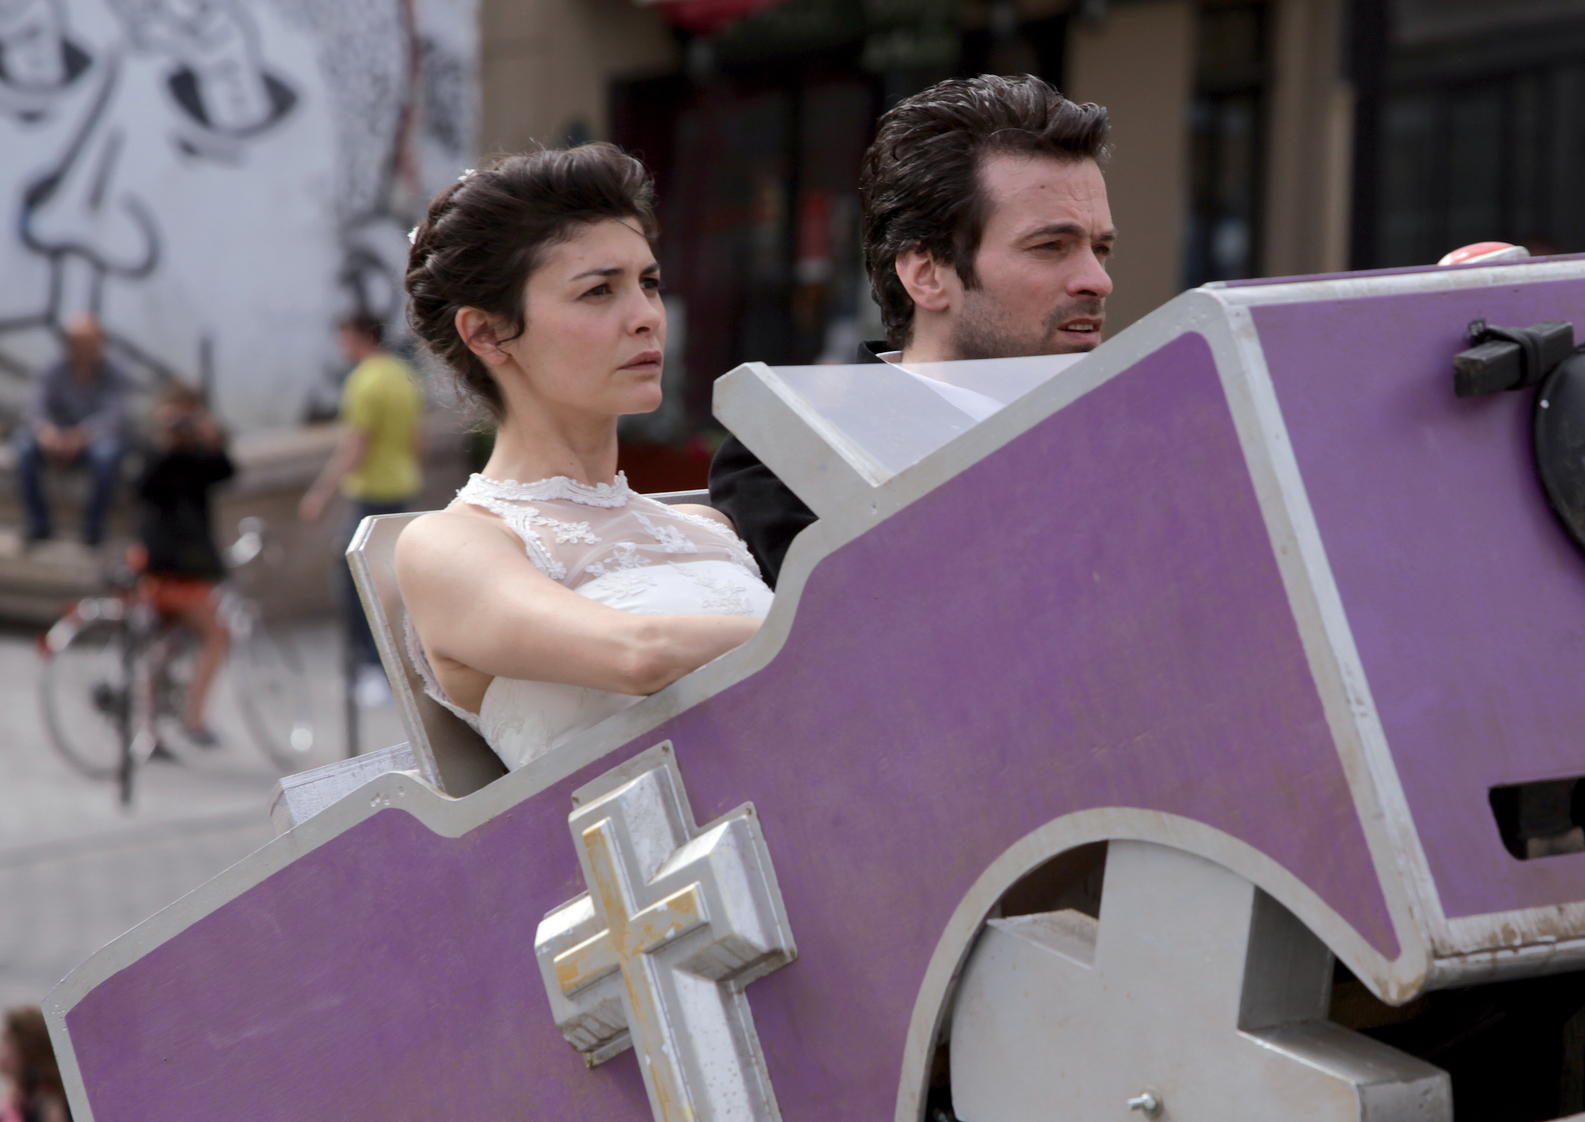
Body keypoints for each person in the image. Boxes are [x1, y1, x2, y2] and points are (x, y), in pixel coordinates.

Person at [394, 144, 769, 772]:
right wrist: (844, 626)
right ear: (486, 333)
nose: (647, 317)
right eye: (599, 291)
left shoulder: (709, 527)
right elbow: (638, 653)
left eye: (648, 283)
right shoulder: (449, 544)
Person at [710, 74, 1114, 584]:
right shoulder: (797, 450)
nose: (1097, 280)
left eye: (1100, 248)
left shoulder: (1130, 425)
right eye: (1050, 246)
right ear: (926, 275)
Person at [300, 314, 423, 707]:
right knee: (390, 579)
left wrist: (320, 494)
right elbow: (418, 438)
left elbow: (356, 446)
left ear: (360, 337)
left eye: (345, 338)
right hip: (401, 484)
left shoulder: (365, 381)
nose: (341, 347)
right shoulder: (403, 375)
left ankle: (372, 665)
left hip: (371, 490)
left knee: (358, 583)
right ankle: (393, 664)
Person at [131, 384, 236, 747]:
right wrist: (166, 443)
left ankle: (151, 729)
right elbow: (143, 487)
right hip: (165, 565)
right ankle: (192, 719)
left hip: (185, 564)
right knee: (215, 635)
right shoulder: (154, 452)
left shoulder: (195, 456)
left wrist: (214, 438)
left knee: (164, 646)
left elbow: (226, 473)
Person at [15, 313, 129, 547]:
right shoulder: (52, 368)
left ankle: (93, 529)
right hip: (54, 437)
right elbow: (36, 408)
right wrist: (47, 432)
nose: (82, 348)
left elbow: (115, 416)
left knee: (106, 456)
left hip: (93, 439)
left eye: (89, 342)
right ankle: (38, 523)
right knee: (24, 447)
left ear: (100, 343)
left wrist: (81, 436)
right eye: (76, 342)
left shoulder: (115, 372)